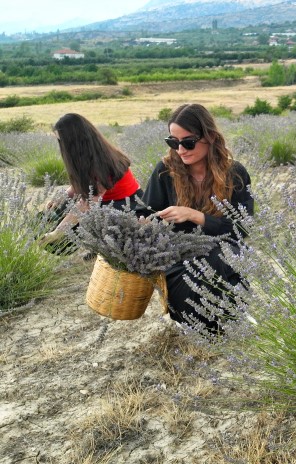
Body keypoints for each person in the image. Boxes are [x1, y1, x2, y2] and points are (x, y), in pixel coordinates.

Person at [143, 103, 254, 330]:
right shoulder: (165, 171)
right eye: (173, 142)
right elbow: (146, 212)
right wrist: (146, 222)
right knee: (182, 276)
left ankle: (230, 313)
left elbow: (241, 228)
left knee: (217, 258)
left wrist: (196, 216)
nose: (180, 150)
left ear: (210, 137)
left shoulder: (235, 173)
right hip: (179, 253)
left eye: (188, 142)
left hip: (223, 247)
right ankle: (204, 320)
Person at [41, 113, 143, 246]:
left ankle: (105, 248)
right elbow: (79, 186)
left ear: (74, 142)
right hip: (108, 201)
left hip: (129, 205)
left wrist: (56, 233)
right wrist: (60, 199)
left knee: (77, 225)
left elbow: (88, 203)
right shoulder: (89, 157)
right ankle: (99, 247)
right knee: (58, 209)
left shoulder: (104, 163)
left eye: (62, 141)